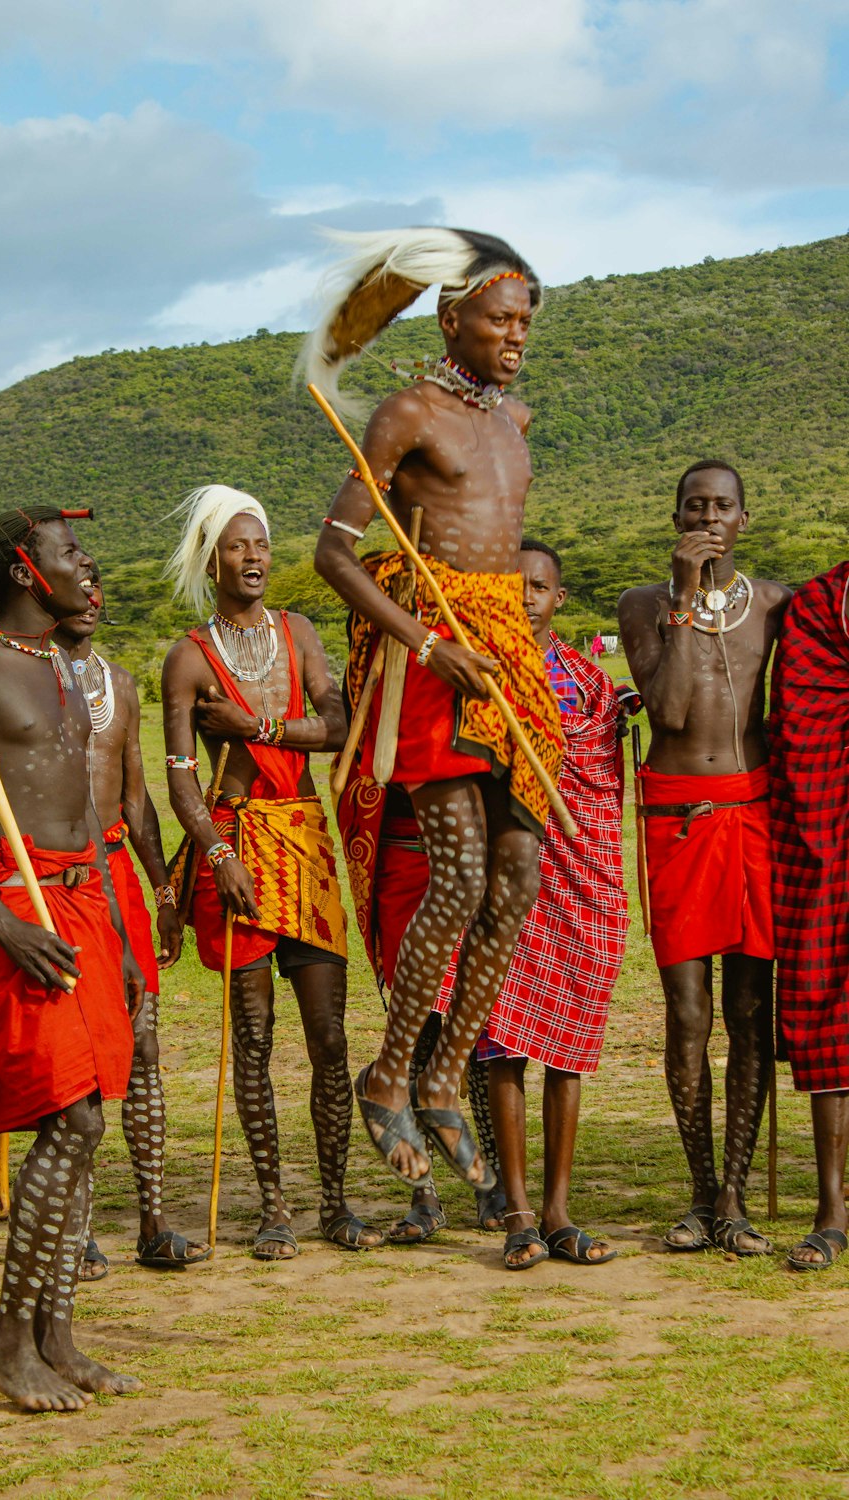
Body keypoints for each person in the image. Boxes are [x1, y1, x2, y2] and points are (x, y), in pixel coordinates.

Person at [308, 226, 564, 1191]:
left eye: (525, 322)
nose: (514, 335)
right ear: (451, 318)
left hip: (507, 657)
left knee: (519, 875)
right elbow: (334, 553)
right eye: (500, 318)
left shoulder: (516, 422)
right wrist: (427, 642)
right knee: (455, 876)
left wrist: (492, 641)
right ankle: (387, 1076)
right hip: (436, 655)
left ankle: (446, 1073)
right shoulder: (406, 414)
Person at [0, 506, 142, 1412]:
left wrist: (116, 928)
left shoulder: (60, 665)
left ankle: (56, 1336)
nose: (87, 564)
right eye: (69, 551)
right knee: (70, 1123)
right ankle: (8, 1343)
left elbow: (85, 804)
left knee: (89, 1122)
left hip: (84, 900)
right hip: (16, 905)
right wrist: (3, 927)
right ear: (20, 567)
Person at [386, 544, 629, 1267]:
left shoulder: (589, 683)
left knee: (568, 1053)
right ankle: (517, 1213)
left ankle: (558, 1210)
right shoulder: (475, 672)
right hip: (508, 878)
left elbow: (601, 792)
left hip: (578, 877)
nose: (525, 598)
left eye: (541, 588)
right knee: (502, 1047)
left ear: (560, 599)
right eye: (513, 586)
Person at [161, 485, 381, 1259]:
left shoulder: (300, 633)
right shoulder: (188, 657)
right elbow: (181, 774)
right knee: (253, 1038)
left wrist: (254, 725)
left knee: (329, 1035)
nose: (253, 557)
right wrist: (215, 855)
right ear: (210, 558)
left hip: (304, 842)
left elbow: (337, 726)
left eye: (260, 544)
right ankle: (274, 1207)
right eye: (236, 546)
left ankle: (336, 1201)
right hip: (234, 848)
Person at [618, 461, 790, 1256]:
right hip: (679, 820)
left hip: (755, 817)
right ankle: (695, 1192)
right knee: (689, 1015)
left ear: (744, 519)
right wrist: (685, 601)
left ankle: (733, 1195)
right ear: (676, 517)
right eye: (695, 506)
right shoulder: (644, 606)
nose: (709, 518)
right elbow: (672, 709)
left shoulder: (779, 607)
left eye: (723, 506)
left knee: (751, 1013)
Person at [54, 585, 211, 1275]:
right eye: (75, 592)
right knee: (77, 1061)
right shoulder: (24, 680)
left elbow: (137, 794)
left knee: (143, 1049)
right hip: (58, 880)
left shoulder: (119, 682)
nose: (89, 602)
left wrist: (164, 888)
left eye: (97, 593)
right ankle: (75, 1228)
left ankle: (153, 1222)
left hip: (119, 871)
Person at [768, 560, 849, 1271]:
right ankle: (831, 1209)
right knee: (827, 1004)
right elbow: (796, 725)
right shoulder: (820, 604)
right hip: (825, 829)